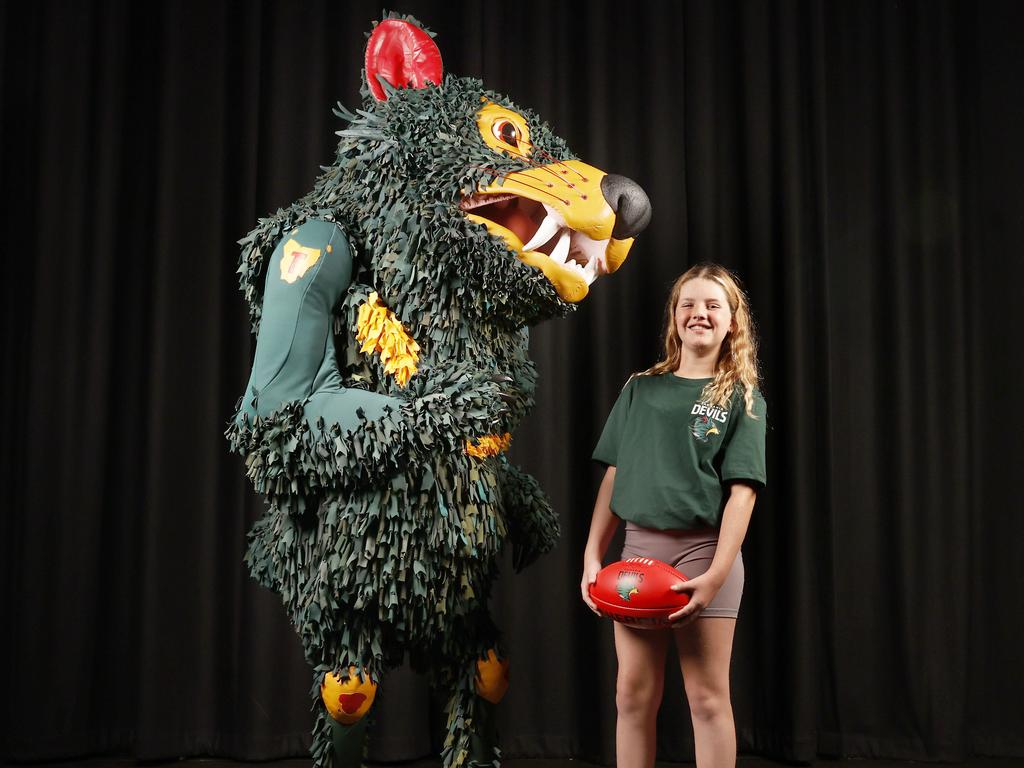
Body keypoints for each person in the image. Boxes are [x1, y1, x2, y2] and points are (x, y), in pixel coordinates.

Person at [581, 263, 767, 768]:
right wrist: (591, 557)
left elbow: (743, 495)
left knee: (707, 700)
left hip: (705, 553)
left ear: (732, 322)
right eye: (688, 304)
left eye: (712, 305)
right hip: (638, 556)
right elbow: (616, 476)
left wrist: (715, 575)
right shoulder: (641, 388)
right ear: (674, 317)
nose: (698, 313)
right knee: (632, 696)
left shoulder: (741, 398)